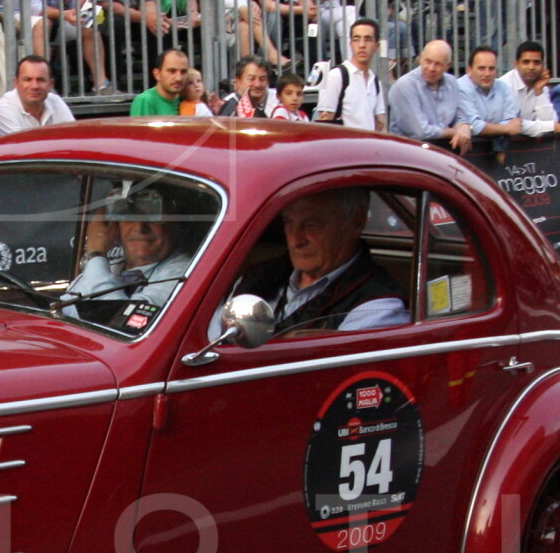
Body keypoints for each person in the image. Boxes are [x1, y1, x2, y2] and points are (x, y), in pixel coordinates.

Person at [228, 188, 408, 334]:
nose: (295, 240)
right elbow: (215, 346)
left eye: (312, 225)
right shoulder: (256, 278)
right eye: (288, 222)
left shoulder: (377, 306)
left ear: (357, 223)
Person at [63, 186, 194, 319]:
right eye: (129, 215)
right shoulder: (110, 265)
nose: (139, 227)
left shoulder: (186, 273)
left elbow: (117, 320)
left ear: (177, 224)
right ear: (114, 225)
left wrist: (96, 255)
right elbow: (64, 310)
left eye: (152, 215)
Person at [385, 39, 475, 152]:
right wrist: (454, 132)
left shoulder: (452, 82)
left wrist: (464, 126)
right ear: (420, 59)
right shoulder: (404, 86)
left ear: (448, 66)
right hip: (410, 153)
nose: (431, 68)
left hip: (445, 150)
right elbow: (421, 132)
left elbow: (460, 113)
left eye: (438, 64)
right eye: (428, 61)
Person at [312, 18, 385, 130]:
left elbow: (381, 124)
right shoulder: (336, 76)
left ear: (377, 46)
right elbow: (325, 120)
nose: (361, 45)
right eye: (356, 39)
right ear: (350, 44)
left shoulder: (375, 82)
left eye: (368, 39)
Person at [0, 53, 75, 135]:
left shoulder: (56, 102)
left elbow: (73, 136)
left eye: (41, 80)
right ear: (16, 83)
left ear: (50, 84)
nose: (34, 86)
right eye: (28, 80)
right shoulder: (5, 108)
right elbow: (20, 143)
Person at [132, 47, 194, 118]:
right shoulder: (145, 101)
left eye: (183, 72)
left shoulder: (187, 99)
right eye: (172, 71)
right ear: (157, 74)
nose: (178, 78)